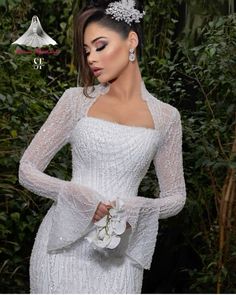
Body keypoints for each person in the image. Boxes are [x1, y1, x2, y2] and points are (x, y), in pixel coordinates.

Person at [18, 0, 186, 293]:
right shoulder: (75, 101)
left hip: (120, 252)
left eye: (100, 46)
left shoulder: (167, 117)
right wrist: (74, 194)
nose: (91, 59)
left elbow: (176, 197)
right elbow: (27, 169)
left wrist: (138, 207)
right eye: (86, 51)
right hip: (61, 245)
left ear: (131, 41)